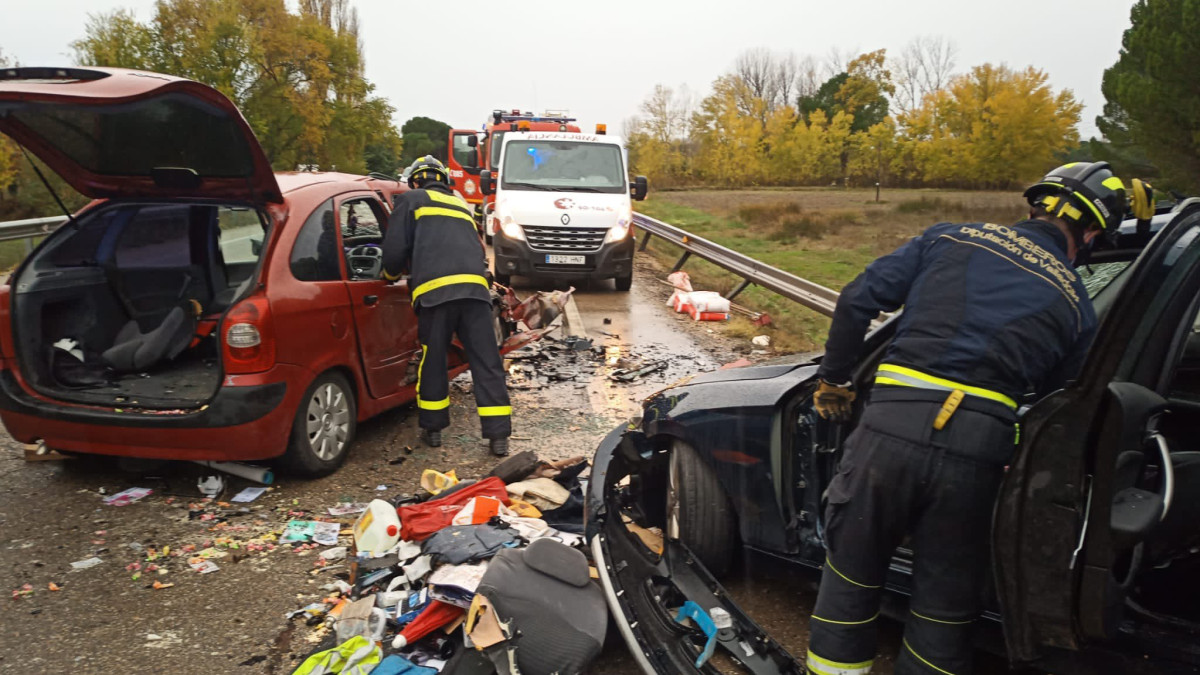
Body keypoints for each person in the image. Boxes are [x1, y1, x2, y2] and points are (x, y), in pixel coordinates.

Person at [805, 162, 1128, 675]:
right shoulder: (1076, 305)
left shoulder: (950, 239)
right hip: (979, 453)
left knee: (851, 580)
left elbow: (856, 300)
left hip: (888, 432)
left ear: (1035, 208)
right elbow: (1057, 406)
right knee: (945, 607)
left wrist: (836, 381)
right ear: (1090, 234)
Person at [382, 156, 511, 457]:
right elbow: (478, 249)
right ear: (443, 180)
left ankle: (434, 428)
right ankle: (498, 436)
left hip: (435, 293)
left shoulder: (411, 199)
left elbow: (394, 250)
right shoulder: (461, 205)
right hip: (476, 292)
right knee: (487, 363)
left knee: (434, 358)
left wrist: (388, 275)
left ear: (415, 180)